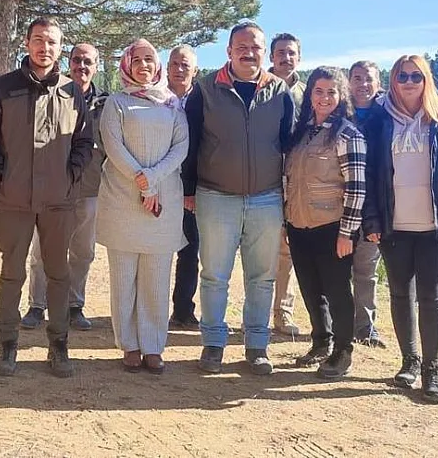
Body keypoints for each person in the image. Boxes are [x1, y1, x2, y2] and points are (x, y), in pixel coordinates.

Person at [0, 16, 94, 378]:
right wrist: (1, 175)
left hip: (59, 201)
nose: (45, 48)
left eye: (52, 42)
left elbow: (85, 142)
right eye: (39, 40)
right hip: (14, 200)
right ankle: (7, 346)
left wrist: (70, 175)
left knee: (58, 274)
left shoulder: (73, 92)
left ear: (60, 48)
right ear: (27, 44)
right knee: (12, 274)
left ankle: (58, 347)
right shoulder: (4, 88)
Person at [363, 54, 438, 404]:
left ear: (426, 80)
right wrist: (372, 220)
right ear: (392, 81)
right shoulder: (380, 121)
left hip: (435, 226)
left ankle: (433, 369)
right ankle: (409, 362)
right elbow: (369, 175)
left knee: (432, 297)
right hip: (394, 226)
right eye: (402, 77)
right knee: (400, 294)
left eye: (416, 76)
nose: (409, 82)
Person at [184, 21, 294, 375]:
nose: (249, 52)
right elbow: (190, 143)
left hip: (266, 199)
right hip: (216, 197)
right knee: (215, 274)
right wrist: (188, 191)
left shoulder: (280, 92)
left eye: (256, 47)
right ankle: (213, 344)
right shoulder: (205, 90)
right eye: (241, 46)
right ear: (229, 51)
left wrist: (289, 199)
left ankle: (257, 345)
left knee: (262, 278)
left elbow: (290, 148)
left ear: (265, 53)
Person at [97, 39, 188, 374]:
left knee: (155, 278)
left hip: (162, 204)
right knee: (124, 279)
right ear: (127, 65)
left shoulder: (172, 103)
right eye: (138, 60)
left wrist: (151, 180)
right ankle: (130, 345)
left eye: (150, 59)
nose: (145, 66)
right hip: (123, 201)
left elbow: (181, 146)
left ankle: (153, 346)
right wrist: (140, 180)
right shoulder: (117, 103)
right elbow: (113, 145)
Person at [284, 67, 367, 380]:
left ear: (341, 95)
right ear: (310, 95)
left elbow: (357, 188)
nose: (324, 98)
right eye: (318, 91)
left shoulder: (348, 134)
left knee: (336, 291)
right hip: (299, 224)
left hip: (333, 228)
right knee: (310, 288)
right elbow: (288, 179)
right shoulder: (301, 133)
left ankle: (342, 351)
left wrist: (348, 233)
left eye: (331, 92)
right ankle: (321, 341)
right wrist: (286, 221)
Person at [21, 43, 107, 332]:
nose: (82, 66)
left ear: (96, 66)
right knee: (42, 250)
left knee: (83, 252)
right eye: (77, 60)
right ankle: (36, 305)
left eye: (89, 61)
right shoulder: (54, 93)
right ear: (68, 63)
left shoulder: (106, 104)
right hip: (51, 189)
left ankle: (74, 306)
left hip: (90, 188)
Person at [268, 32, 305, 337]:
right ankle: (252, 314)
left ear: (298, 57)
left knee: (286, 251)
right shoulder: (260, 88)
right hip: (262, 178)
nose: (285, 57)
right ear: (272, 57)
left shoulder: (309, 94)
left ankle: (283, 313)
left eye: (291, 53)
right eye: (280, 52)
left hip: (297, 182)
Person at [349, 60, 387, 347]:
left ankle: (365, 327)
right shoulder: (338, 112)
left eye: (368, 79)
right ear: (348, 82)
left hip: (375, 207)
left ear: (379, 82)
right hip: (339, 205)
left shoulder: (388, 116)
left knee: (365, 270)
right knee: (334, 271)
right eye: (357, 78)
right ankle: (333, 326)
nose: (363, 84)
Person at [166, 44, 202, 329]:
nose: (179, 70)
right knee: (156, 249)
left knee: (190, 250)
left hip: (191, 188)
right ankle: (149, 307)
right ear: (166, 67)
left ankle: (182, 309)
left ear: (195, 71)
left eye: (185, 65)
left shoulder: (204, 100)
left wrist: (191, 189)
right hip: (159, 184)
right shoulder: (154, 97)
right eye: (174, 64)